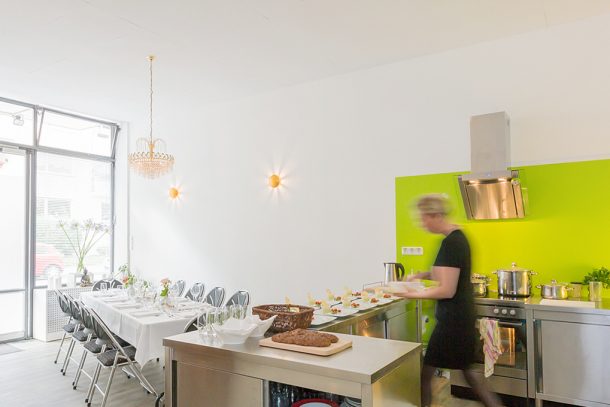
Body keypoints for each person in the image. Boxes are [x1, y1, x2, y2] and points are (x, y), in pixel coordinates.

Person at [394, 194, 501, 407]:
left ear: (436, 215)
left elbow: (447, 290)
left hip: (453, 322)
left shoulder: (451, 243)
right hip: (459, 318)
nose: (422, 223)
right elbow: (447, 273)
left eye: (423, 218)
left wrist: (410, 294)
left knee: (427, 373)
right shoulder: (457, 237)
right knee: (468, 373)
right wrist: (422, 275)